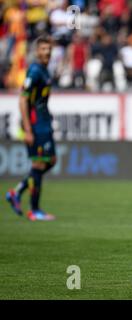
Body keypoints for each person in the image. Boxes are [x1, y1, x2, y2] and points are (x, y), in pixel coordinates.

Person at [5, 35, 56, 221]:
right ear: (37, 51)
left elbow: (40, 99)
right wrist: (27, 129)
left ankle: (16, 192)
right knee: (39, 164)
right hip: (35, 125)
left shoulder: (44, 70)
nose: (47, 52)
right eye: (43, 49)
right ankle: (34, 210)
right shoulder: (34, 71)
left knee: (50, 160)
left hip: (44, 123)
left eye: (48, 49)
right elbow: (23, 99)